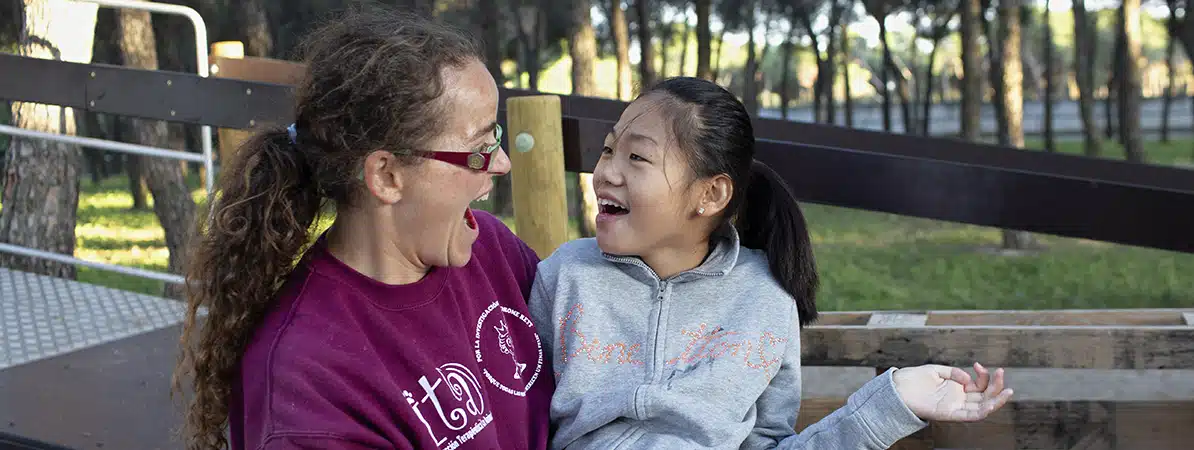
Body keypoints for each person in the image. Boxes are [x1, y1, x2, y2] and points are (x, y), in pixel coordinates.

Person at [528, 77, 1014, 449]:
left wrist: (891, 403)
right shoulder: (567, 276)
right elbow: (515, 416)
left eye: (637, 158)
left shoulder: (763, 300)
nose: (605, 171)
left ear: (710, 194)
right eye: (610, 148)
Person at [173, 7, 553, 450]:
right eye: (479, 149)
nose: (502, 163)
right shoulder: (309, 388)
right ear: (386, 177)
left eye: (497, 138)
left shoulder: (492, 250)